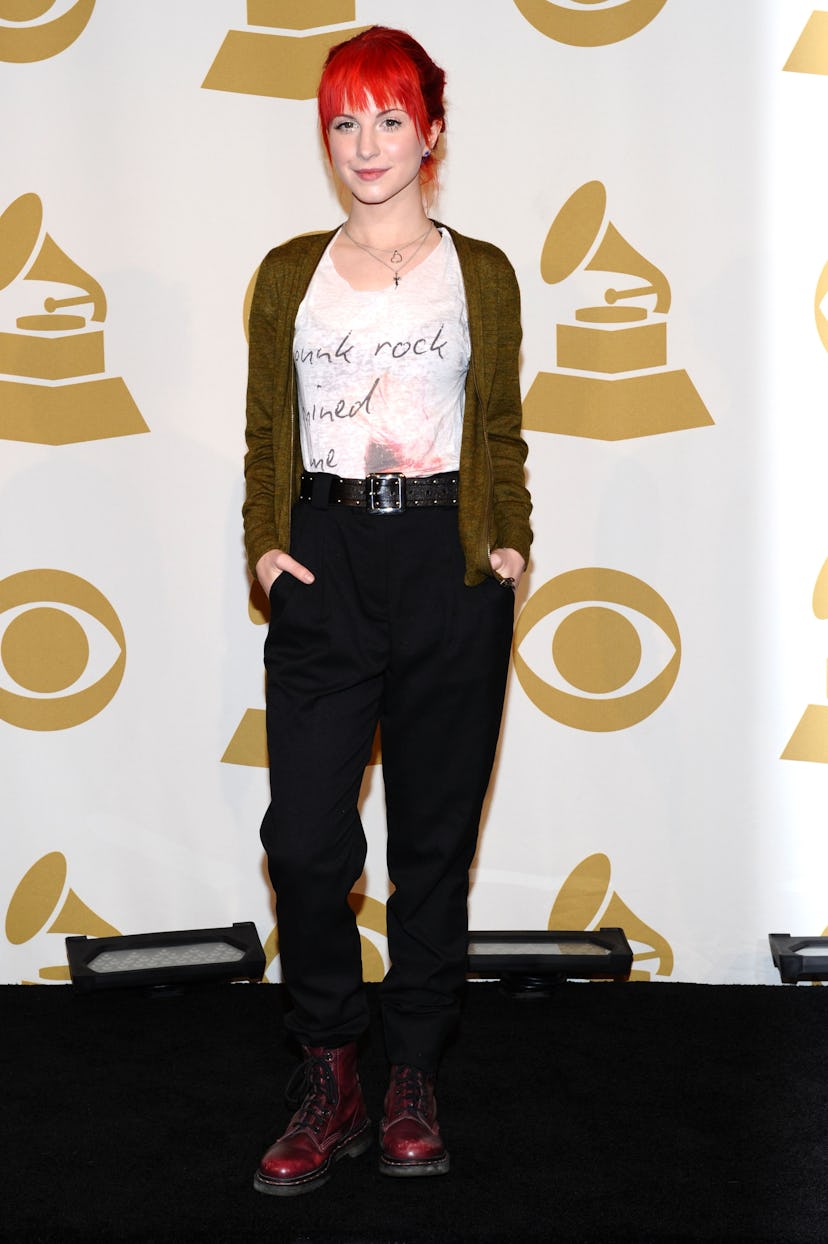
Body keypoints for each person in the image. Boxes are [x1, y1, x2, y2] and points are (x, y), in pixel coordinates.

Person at [243, 25, 532, 1196]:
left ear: (432, 133)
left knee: (431, 848)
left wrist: (509, 539)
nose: (366, 145)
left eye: (389, 120)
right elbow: (267, 427)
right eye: (344, 121)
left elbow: (500, 423)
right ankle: (330, 1068)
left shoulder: (487, 272)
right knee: (306, 843)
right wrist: (264, 546)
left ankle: (410, 1067)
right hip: (325, 560)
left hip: (447, 564)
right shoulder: (285, 273)